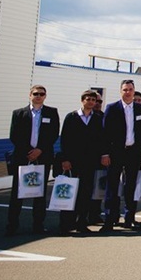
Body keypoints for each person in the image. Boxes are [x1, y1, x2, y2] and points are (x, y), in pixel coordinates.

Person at [6, 85, 60, 236]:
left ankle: (38, 225)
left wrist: (39, 150)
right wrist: (29, 152)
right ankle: (12, 225)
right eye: (36, 94)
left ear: (45, 96)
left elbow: (53, 134)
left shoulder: (51, 112)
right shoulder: (19, 113)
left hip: (43, 157)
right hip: (23, 158)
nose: (38, 96)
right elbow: (14, 135)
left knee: (39, 194)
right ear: (30, 95)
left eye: (42, 94)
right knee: (17, 193)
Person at [101, 79, 141, 232]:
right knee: (112, 186)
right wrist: (105, 153)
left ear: (134, 91)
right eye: (125, 90)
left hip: (133, 153)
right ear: (120, 91)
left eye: (130, 89)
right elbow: (105, 133)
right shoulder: (112, 108)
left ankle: (130, 219)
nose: (128, 92)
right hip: (115, 153)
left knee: (131, 186)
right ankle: (110, 220)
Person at [57, 89, 105, 235]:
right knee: (70, 192)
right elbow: (64, 139)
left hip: (90, 162)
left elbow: (101, 140)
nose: (91, 102)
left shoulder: (97, 118)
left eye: (93, 100)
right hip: (73, 161)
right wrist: (65, 159)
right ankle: (66, 224)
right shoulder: (72, 117)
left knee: (85, 193)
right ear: (82, 100)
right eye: (88, 99)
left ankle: (82, 223)